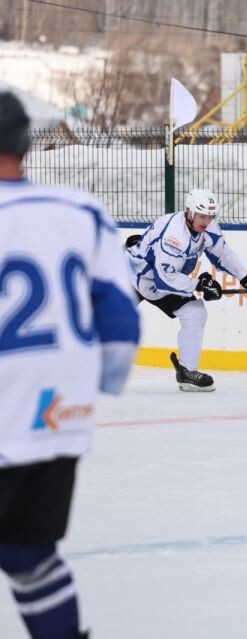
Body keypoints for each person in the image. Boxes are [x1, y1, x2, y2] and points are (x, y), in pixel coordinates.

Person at [0, 91, 140, 639]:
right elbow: (121, 330)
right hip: (58, 417)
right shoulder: (80, 211)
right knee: (29, 554)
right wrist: (84, 389)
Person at [125, 188, 247, 391]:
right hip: (133, 276)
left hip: (159, 282)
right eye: (202, 216)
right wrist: (198, 285)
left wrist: (245, 279)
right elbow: (165, 279)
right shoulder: (174, 236)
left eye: (210, 216)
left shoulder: (207, 227)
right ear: (189, 212)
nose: (206, 221)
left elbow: (222, 253)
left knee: (195, 313)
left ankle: (186, 372)